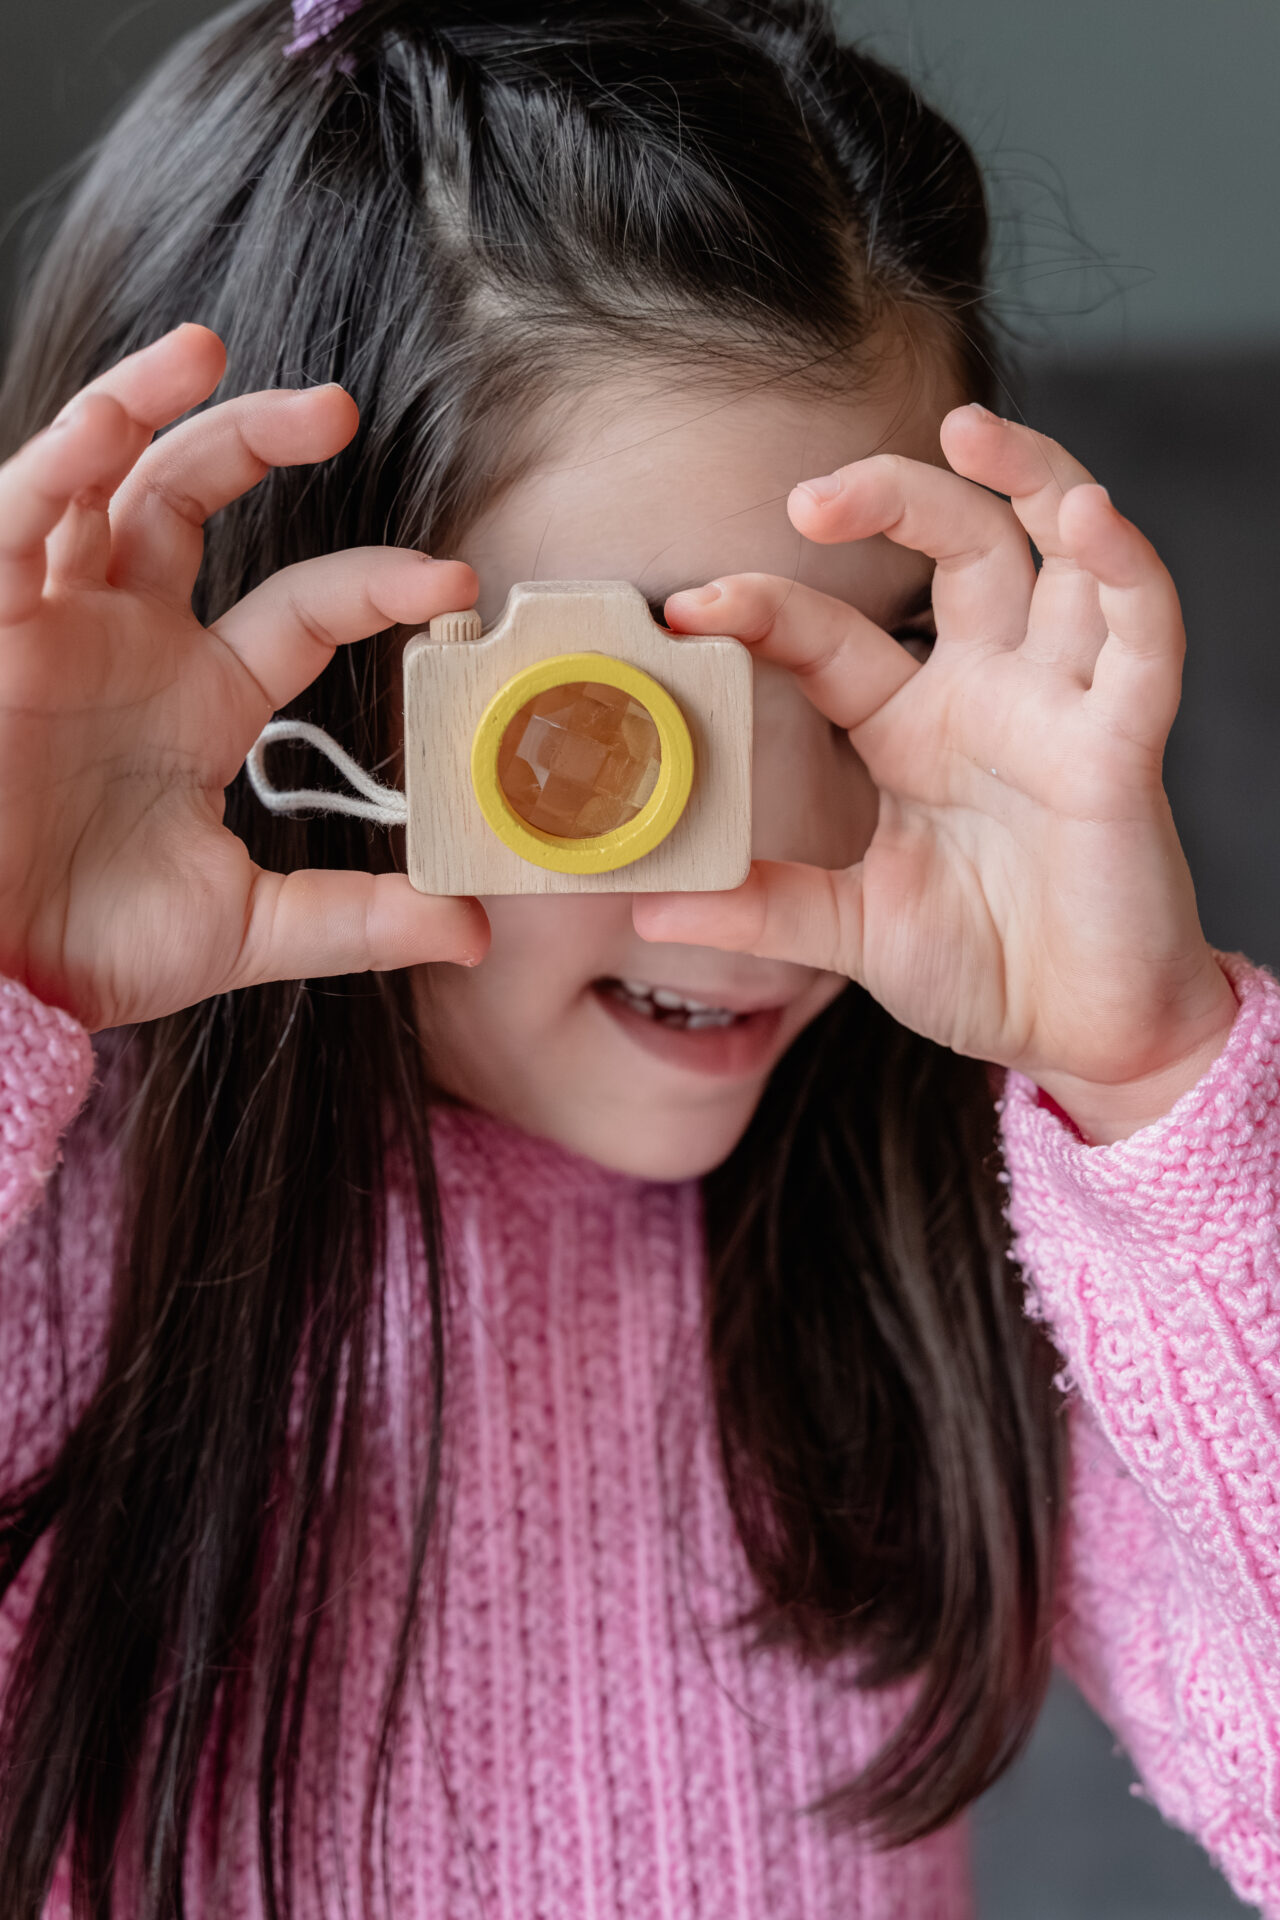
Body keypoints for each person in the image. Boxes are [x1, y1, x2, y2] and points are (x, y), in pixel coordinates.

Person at [0, 0, 1276, 1914]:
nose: (776, 850)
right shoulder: (58, 1248)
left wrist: (1161, 1084)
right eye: (613, 718)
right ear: (283, 694)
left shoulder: (990, 1244)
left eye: (871, 659)